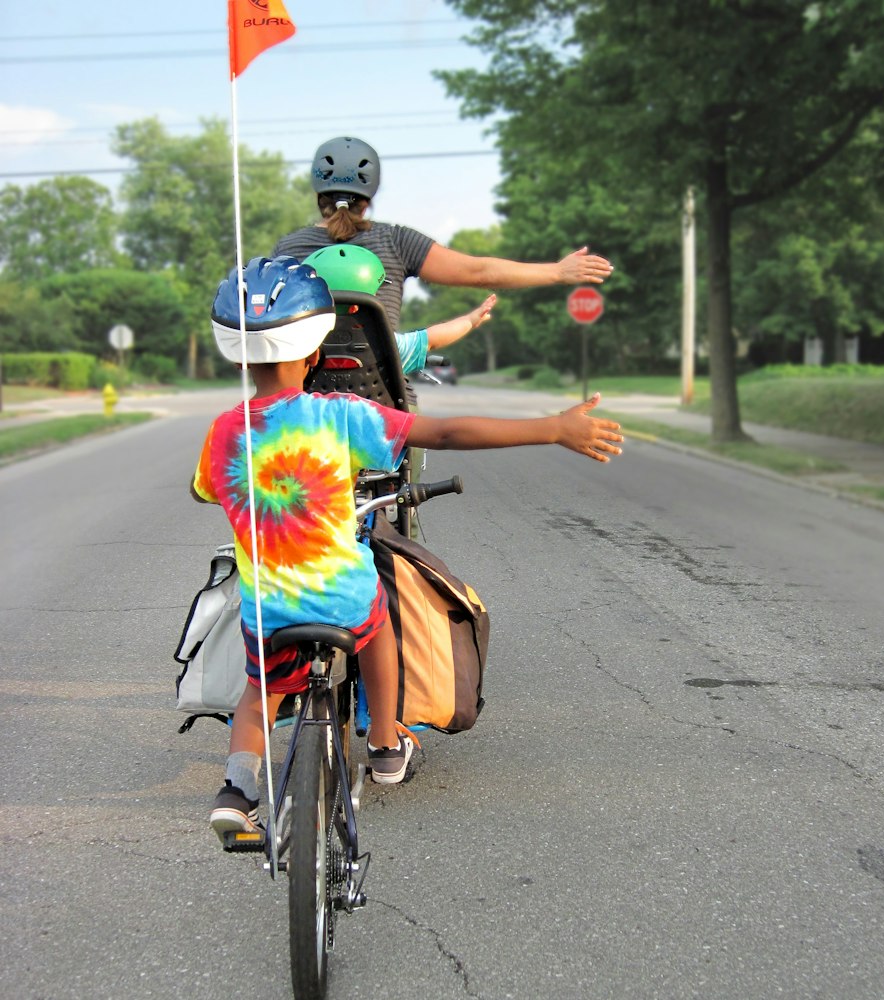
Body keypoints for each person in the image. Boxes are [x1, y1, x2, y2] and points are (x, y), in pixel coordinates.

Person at [194, 256, 623, 839]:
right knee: (379, 630)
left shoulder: (224, 432)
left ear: (240, 356)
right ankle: (386, 744)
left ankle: (236, 792)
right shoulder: (339, 417)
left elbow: (204, 490)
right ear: (316, 353)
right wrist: (553, 427)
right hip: (341, 599)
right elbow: (444, 432)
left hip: (267, 610)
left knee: (260, 693)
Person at [272, 135, 612, 330]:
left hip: (305, 401)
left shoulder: (287, 250)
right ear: (369, 198)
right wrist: (557, 271)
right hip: (380, 398)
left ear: (319, 195)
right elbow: (479, 272)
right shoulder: (396, 241)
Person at [303, 243, 496, 375]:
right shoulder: (385, 344)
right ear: (359, 305)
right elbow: (433, 338)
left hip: (309, 433)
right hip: (377, 432)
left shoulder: (298, 344)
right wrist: (470, 320)